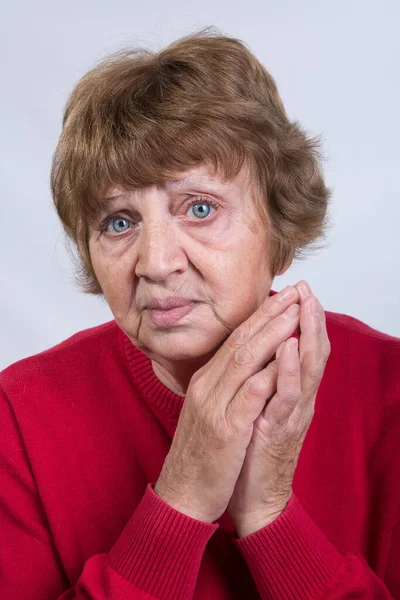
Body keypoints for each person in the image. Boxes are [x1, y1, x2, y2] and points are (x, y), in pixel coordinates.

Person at [0, 26, 399, 600]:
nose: (156, 263)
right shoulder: (18, 416)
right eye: (119, 221)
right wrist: (182, 500)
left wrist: (269, 515)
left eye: (200, 207)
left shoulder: (390, 390)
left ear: (280, 231)